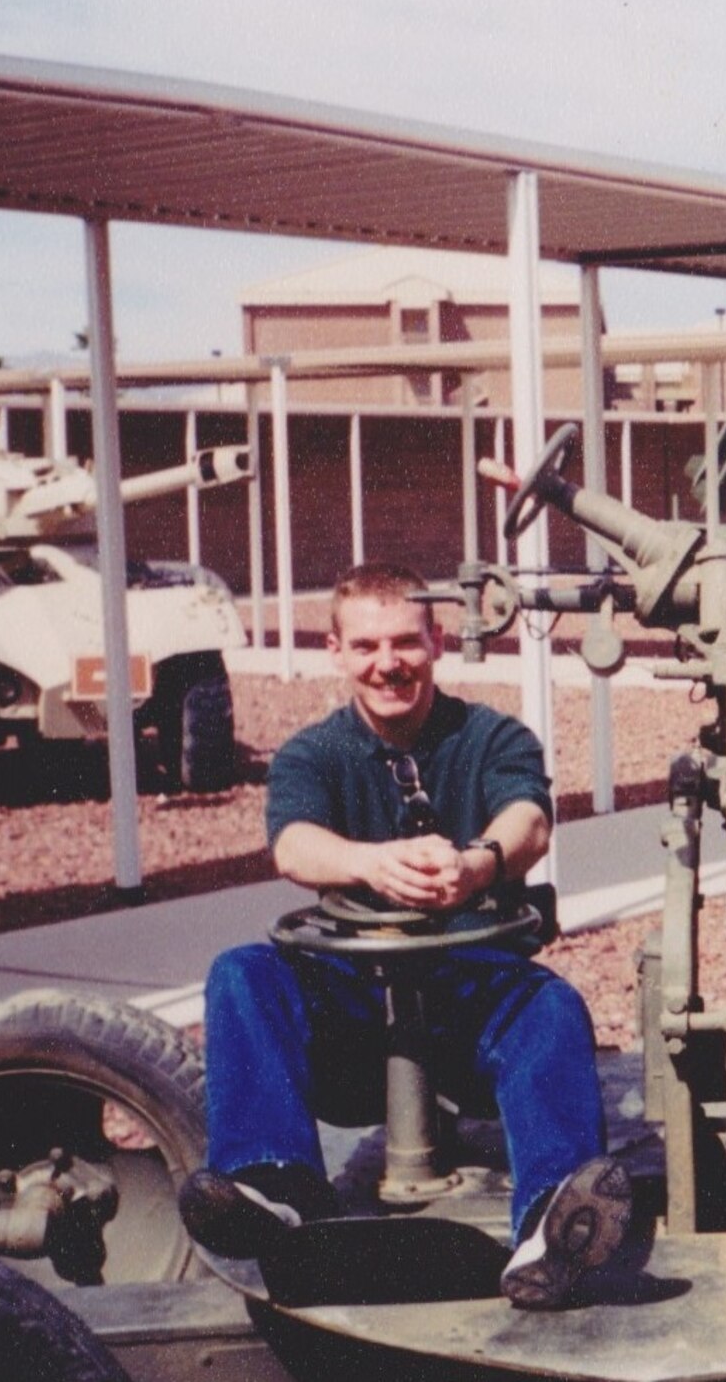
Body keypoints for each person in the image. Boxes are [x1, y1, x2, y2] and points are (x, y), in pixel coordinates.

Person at [178, 561, 629, 1309]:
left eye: (404, 644)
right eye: (366, 646)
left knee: (551, 1008)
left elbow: (529, 819)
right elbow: (293, 845)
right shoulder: (312, 754)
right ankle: (274, 1183)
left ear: (437, 642)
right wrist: (372, 864)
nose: (387, 663)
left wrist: (476, 864)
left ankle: (554, 1223)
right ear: (336, 652)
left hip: (469, 997)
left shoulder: (491, 736)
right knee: (243, 973)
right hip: (355, 1014)